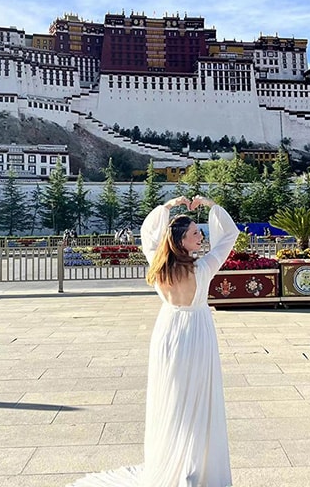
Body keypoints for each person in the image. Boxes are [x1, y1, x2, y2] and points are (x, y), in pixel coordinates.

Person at [68, 195, 238, 487]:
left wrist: (169, 205)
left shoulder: (159, 266)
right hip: (197, 331)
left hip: (168, 330)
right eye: (195, 233)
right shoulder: (205, 267)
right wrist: (210, 204)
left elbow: (148, 234)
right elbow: (230, 235)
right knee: (200, 398)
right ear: (182, 241)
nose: (201, 236)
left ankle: (172, 462)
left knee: (171, 399)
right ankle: (196, 466)